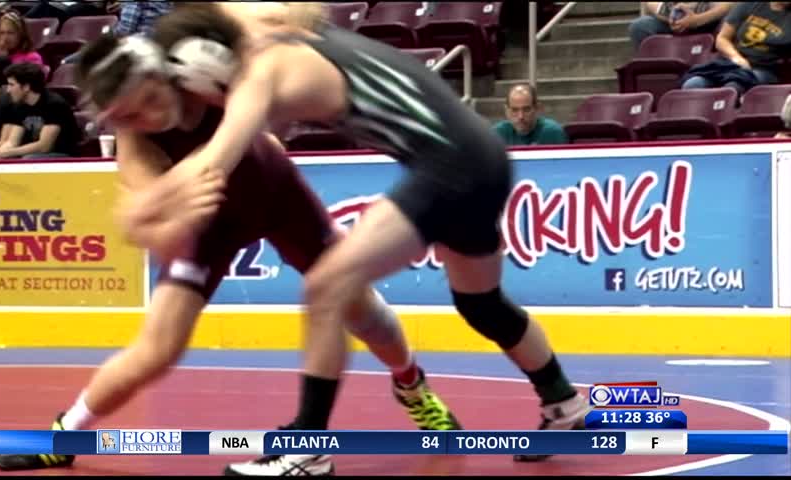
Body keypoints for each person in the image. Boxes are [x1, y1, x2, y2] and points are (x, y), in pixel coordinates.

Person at [135, 4, 590, 475]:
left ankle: (307, 448)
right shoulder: (291, 38)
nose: (206, 106)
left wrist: (142, 204)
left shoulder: (261, 73)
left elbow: (214, 164)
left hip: (450, 167)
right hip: (484, 157)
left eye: (198, 93)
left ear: (209, 66)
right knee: (482, 304)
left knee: (327, 285)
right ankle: (564, 403)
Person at [0, 32, 460, 473]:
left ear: (165, 75)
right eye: (130, 116)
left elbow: (264, 106)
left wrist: (172, 189)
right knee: (157, 348)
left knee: (358, 305)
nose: (149, 119)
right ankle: (66, 435)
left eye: (152, 101)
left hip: (275, 191)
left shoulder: (207, 76)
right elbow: (142, 215)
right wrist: (169, 215)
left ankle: (412, 385)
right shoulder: (136, 135)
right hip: (209, 222)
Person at [682, 2, 791, 96]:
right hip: (729, 64)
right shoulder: (749, 5)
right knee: (692, 84)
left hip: (762, 69)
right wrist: (736, 58)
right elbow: (722, 39)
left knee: (733, 86)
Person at [0, 62, 80, 159]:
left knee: (28, 159)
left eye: (11, 85)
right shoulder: (19, 105)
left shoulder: (54, 105)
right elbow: (13, 142)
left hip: (62, 156)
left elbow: (45, 146)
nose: (8, 90)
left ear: (26, 87)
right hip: (33, 155)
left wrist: (7, 153)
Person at [492, 84, 569, 146]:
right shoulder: (498, 134)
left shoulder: (553, 133)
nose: (520, 116)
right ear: (506, 110)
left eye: (526, 109)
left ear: (537, 108)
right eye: (514, 110)